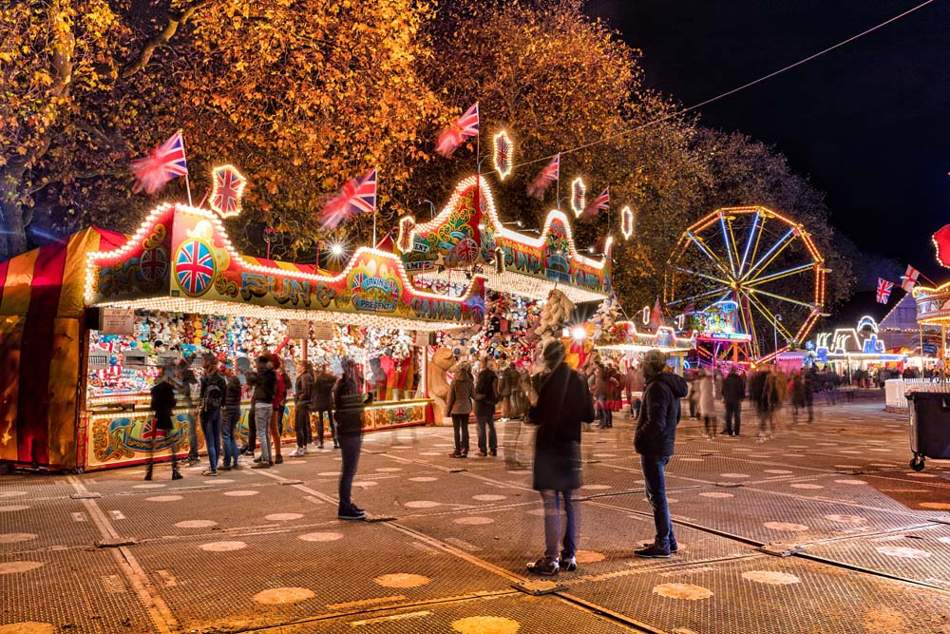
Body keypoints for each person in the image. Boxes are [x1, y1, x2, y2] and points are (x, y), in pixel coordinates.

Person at [526, 340, 595, 576]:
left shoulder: (547, 381)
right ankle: (570, 555)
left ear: (548, 358)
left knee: (551, 504)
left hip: (549, 448)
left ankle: (551, 558)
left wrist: (532, 406)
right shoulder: (579, 379)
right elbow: (589, 415)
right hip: (571, 446)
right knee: (571, 502)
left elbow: (537, 416)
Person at [634, 350, 688, 558]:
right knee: (654, 494)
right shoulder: (670, 385)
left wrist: (640, 436)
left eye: (644, 363)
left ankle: (663, 543)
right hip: (664, 445)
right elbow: (676, 417)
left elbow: (655, 421)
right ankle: (669, 540)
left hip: (654, 447)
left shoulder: (657, 386)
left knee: (657, 495)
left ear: (650, 365)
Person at [334, 358, 371, 519]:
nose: (356, 370)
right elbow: (350, 409)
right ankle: (345, 506)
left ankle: (347, 503)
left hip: (349, 429)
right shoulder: (346, 385)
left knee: (349, 470)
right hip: (350, 430)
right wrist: (364, 403)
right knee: (348, 470)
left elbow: (350, 406)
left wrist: (365, 402)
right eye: (353, 367)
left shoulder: (345, 385)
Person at [146, 368, 181, 481]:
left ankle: (149, 472)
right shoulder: (169, 388)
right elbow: (172, 403)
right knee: (171, 444)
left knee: (152, 445)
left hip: (157, 417)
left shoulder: (154, 389)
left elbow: (153, 405)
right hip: (166, 417)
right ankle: (175, 471)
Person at [198, 355, 227, 476]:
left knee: (209, 441)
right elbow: (225, 395)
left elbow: (201, 396)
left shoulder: (205, 378)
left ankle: (213, 468)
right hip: (217, 410)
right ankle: (214, 465)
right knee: (216, 439)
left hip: (206, 411)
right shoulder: (221, 378)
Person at [251, 355, 276, 468]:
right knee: (266, 432)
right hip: (269, 404)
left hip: (261, 404)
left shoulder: (262, 374)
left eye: (257, 363)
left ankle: (265, 459)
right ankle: (268, 457)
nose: (256, 365)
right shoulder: (272, 373)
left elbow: (253, 381)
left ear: (261, 363)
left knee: (261, 432)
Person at [446, 363, 475, 458]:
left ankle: (457, 450)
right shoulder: (469, 382)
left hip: (456, 409)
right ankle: (465, 449)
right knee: (465, 429)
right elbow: (474, 396)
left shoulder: (454, 382)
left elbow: (450, 399)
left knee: (456, 430)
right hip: (466, 408)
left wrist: (447, 411)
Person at [474, 358, 499, 457]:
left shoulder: (483, 375)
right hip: (491, 403)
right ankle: (493, 449)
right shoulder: (494, 375)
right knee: (491, 427)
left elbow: (479, 389)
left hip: (482, 404)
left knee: (481, 427)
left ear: (483, 363)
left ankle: (482, 449)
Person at [176, 358, 199, 465]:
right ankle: (193, 454)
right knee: (192, 433)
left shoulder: (187, 381)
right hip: (194, 408)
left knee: (192, 433)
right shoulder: (191, 378)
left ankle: (193, 456)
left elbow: (186, 393)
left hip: (192, 409)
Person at [221, 364, 242, 470]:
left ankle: (227, 462)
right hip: (236, 409)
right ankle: (236, 461)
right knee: (232, 435)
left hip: (227, 410)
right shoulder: (236, 381)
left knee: (226, 436)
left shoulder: (226, 383)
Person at [292, 360, 314, 456]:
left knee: (299, 426)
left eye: (299, 365)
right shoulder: (307, 376)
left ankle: (300, 447)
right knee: (303, 425)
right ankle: (303, 446)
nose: (297, 367)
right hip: (304, 403)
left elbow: (306, 392)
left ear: (303, 367)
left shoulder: (304, 377)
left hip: (302, 404)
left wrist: (298, 398)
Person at [312, 363, 337, 449]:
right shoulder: (331, 378)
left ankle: (321, 442)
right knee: (331, 422)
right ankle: (335, 441)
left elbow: (315, 391)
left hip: (320, 402)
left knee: (321, 423)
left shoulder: (318, 379)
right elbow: (335, 383)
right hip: (329, 401)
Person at [270, 355, 287, 464]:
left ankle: (272, 454)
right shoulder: (279, 376)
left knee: (269, 430)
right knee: (274, 429)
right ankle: (277, 453)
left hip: (271, 404)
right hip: (275, 404)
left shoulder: (273, 376)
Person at [721, 367, 745, 436]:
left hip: (728, 400)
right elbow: (742, 389)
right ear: (735, 372)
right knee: (737, 416)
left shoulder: (726, 379)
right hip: (736, 400)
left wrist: (725, 397)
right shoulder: (739, 379)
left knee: (728, 416)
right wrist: (742, 397)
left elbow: (723, 390)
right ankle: (737, 431)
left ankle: (729, 431)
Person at [697, 368, 716, 439]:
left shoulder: (702, 382)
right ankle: (713, 433)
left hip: (704, 400)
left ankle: (707, 432)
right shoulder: (710, 382)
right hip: (710, 400)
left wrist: (698, 406)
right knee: (712, 417)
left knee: (706, 418)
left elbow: (700, 392)